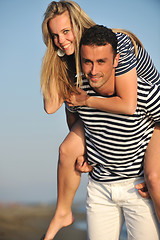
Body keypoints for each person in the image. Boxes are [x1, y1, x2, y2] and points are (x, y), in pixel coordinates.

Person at [40, 1, 160, 239]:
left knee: (154, 178)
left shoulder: (115, 44)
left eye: (66, 32)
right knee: (67, 150)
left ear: (78, 23)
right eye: (54, 36)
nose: (61, 40)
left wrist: (85, 101)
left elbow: (128, 104)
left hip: (150, 116)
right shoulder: (78, 60)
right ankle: (63, 212)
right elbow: (55, 106)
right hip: (103, 114)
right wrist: (56, 56)